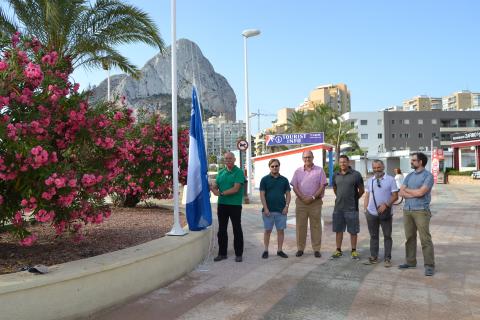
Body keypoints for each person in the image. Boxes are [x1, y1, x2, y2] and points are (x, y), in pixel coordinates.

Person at [398, 152, 435, 276]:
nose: (411, 162)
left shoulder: (428, 176)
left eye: (414, 160)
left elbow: (421, 193)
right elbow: (400, 192)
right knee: (409, 238)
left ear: (421, 162)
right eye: (412, 160)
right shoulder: (409, 175)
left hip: (421, 211)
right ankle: (410, 262)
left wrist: (407, 190)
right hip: (407, 210)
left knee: (425, 239)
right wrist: (413, 192)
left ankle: (429, 265)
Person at [290, 150, 327, 258]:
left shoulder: (320, 171)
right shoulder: (297, 171)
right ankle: (300, 248)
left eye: (309, 157)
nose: (307, 159)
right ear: (302, 159)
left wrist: (313, 197)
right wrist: (302, 197)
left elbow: (322, 186)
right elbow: (294, 186)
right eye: (305, 157)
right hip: (301, 203)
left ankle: (316, 249)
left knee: (316, 226)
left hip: (315, 202)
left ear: (313, 157)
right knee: (301, 226)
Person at [210, 152, 245, 262]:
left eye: (230, 158)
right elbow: (216, 186)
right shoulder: (220, 173)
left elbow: (236, 189)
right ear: (224, 160)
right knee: (222, 230)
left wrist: (220, 193)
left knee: (237, 229)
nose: (228, 160)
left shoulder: (239, 172)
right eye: (226, 159)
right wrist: (212, 187)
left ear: (234, 160)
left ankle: (238, 254)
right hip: (222, 205)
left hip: (234, 205)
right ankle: (222, 253)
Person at [363, 160, 398, 267]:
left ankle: (387, 258)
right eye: (374, 168)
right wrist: (365, 209)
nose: (376, 170)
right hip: (371, 213)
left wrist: (386, 205)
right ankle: (374, 257)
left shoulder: (390, 180)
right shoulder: (370, 180)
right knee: (373, 236)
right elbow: (367, 195)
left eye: (378, 167)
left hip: (385, 213)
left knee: (387, 236)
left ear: (383, 167)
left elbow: (395, 196)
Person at [331, 155, 364, 260]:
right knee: (338, 230)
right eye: (340, 162)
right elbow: (335, 189)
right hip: (338, 208)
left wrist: (354, 199)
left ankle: (354, 251)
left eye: (344, 162)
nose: (342, 164)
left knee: (353, 231)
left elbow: (361, 190)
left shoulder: (356, 175)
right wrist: (341, 197)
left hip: (352, 208)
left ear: (348, 162)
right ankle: (338, 250)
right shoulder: (335, 175)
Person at [259, 159, 291, 259]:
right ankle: (265, 250)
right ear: (269, 167)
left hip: (281, 211)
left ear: (279, 167)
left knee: (280, 231)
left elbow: (288, 194)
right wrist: (266, 208)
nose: (274, 168)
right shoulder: (264, 179)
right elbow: (262, 195)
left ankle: (280, 250)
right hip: (268, 211)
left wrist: (286, 207)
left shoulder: (284, 180)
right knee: (267, 231)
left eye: (276, 166)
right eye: (272, 166)